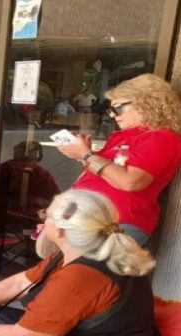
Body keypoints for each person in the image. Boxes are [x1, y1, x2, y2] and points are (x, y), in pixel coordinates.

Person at [0, 190, 163, 336]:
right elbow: (19, 283)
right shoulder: (82, 251)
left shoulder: (82, 275)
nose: (41, 222)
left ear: (58, 231)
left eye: (45, 216)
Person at [56, 74, 181, 246]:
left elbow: (130, 181)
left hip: (115, 223)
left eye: (118, 108)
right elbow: (105, 174)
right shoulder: (125, 136)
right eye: (110, 110)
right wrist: (83, 154)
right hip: (90, 218)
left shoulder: (161, 137)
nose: (113, 115)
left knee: (75, 272)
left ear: (146, 103)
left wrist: (86, 155)